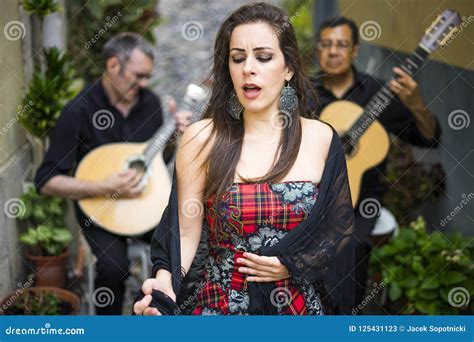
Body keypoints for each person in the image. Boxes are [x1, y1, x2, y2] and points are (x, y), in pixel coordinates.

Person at [134, 2, 355, 316]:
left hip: (297, 307)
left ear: (289, 67)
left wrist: (292, 263)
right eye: (238, 58)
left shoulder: (321, 138)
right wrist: (165, 282)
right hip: (221, 305)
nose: (248, 67)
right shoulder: (201, 138)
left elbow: (339, 229)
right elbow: (184, 232)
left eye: (263, 57)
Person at [35, 32, 192, 315]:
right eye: (138, 76)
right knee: (113, 267)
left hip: (145, 207)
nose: (144, 83)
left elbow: (155, 162)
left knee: (180, 254)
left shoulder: (150, 103)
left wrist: (171, 139)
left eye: (148, 77)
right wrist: (101, 186)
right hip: (101, 212)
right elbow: (46, 181)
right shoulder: (78, 111)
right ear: (112, 66)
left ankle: (153, 318)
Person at [309, 16, 441, 310]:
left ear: (355, 51)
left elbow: (429, 138)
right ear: (318, 50)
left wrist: (417, 102)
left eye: (341, 45)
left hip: (361, 200)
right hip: (310, 195)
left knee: (351, 246)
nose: (333, 51)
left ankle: (344, 324)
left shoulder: (378, 94)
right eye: (326, 44)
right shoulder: (305, 95)